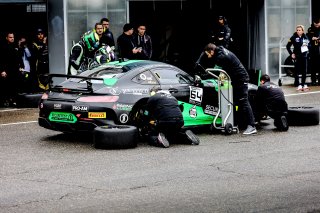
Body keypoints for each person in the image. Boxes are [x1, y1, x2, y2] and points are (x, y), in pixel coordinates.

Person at [196, 43, 256, 135]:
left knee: (243, 101)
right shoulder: (219, 50)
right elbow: (205, 52)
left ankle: (252, 126)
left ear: (211, 51)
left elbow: (216, 72)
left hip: (241, 78)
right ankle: (236, 123)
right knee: (235, 102)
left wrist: (204, 75)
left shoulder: (221, 57)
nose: (207, 56)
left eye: (208, 54)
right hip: (236, 79)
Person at [0, 31, 24, 107]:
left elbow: (19, 57)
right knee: (7, 86)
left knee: (15, 86)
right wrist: (2, 70)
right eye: (10, 37)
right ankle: (6, 100)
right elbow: (1, 60)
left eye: (13, 37)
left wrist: (21, 66)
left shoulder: (16, 46)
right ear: (7, 38)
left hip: (15, 70)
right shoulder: (3, 47)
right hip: (7, 70)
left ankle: (14, 100)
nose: (12, 38)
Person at [286, 25, 310, 91]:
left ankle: (303, 83)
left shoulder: (305, 37)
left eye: (300, 30)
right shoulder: (293, 37)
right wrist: (291, 54)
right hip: (297, 56)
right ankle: (297, 83)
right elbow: (288, 46)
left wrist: (307, 48)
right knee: (297, 70)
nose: (298, 31)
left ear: (302, 31)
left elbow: (309, 45)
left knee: (304, 71)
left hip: (304, 56)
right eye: (297, 30)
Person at [306, 17, 320, 86]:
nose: (317, 25)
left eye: (318, 24)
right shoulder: (310, 29)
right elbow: (307, 37)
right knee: (313, 66)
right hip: (313, 50)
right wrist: (312, 38)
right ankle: (313, 80)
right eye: (315, 24)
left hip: (319, 49)